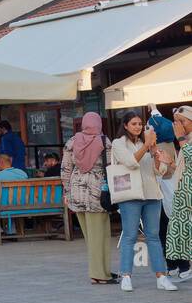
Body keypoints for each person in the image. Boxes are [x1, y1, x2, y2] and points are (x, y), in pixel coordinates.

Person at [111, 109, 177, 292]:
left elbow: (159, 172)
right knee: (130, 235)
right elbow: (131, 162)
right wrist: (146, 145)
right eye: (134, 124)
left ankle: (161, 276)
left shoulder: (147, 143)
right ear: (125, 125)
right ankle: (126, 275)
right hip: (130, 195)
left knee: (154, 236)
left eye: (140, 124)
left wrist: (156, 154)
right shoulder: (118, 143)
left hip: (152, 194)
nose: (138, 127)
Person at [61, 112, 114, 284]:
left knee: (90, 237)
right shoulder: (104, 141)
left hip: (76, 192)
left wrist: (67, 192)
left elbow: (65, 169)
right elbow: (112, 166)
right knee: (100, 235)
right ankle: (100, 274)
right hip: (97, 192)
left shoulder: (72, 142)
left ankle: (100, 271)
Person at [163, 106, 192, 279]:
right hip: (184, 196)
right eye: (177, 122)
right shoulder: (186, 140)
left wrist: (180, 138)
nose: (179, 125)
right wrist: (171, 164)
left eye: (183, 121)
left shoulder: (185, 140)